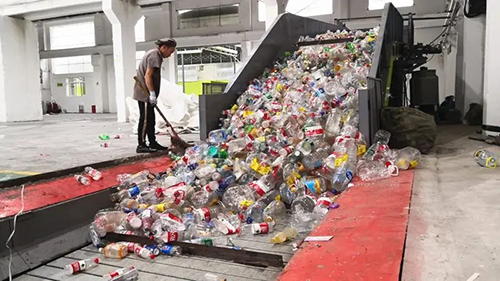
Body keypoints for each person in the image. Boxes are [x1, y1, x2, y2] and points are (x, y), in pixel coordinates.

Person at [133, 38, 177, 153]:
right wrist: (152, 94)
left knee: (151, 119)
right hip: (145, 94)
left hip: (147, 93)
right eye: (170, 52)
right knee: (145, 119)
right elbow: (148, 76)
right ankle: (141, 144)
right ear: (164, 47)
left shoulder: (155, 55)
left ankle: (152, 142)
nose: (170, 55)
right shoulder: (154, 56)